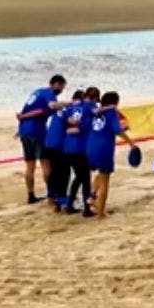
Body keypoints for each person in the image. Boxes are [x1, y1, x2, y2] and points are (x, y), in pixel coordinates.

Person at [17, 75, 69, 205]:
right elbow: (51, 106)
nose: (62, 90)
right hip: (36, 130)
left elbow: (38, 110)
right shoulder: (49, 94)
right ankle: (51, 194)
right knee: (46, 163)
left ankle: (31, 195)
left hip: (24, 130)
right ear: (56, 84)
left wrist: (22, 118)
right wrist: (70, 103)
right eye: (62, 87)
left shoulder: (37, 92)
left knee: (30, 165)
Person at [85, 91, 137, 220]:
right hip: (104, 149)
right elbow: (118, 130)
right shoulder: (111, 113)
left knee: (100, 174)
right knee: (105, 181)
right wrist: (131, 144)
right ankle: (101, 214)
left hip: (90, 147)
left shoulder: (95, 112)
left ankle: (91, 197)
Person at [45, 90, 84, 212]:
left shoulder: (62, 109)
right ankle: (62, 201)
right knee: (64, 172)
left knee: (54, 171)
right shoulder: (72, 109)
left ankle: (52, 196)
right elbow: (73, 122)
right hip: (59, 145)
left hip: (49, 142)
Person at [63, 87, 99, 215]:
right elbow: (85, 128)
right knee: (85, 178)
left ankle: (69, 204)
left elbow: (64, 115)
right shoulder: (90, 108)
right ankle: (87, 209)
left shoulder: (75, 106)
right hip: (80, 147)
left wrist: (69, 126)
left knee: (79, 177)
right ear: (95, 98)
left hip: (67, 147)